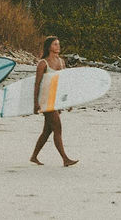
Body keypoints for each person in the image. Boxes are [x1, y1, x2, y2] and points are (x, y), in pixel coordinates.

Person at [30, 36, 79, 167]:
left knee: (47, 131)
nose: (58, 46)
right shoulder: (43, 63)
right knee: (57, 127)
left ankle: (34, 157)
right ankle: (65, 159)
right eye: (55, 44)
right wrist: (36, 103)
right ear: (49, 47)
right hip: (46, 100)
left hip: (56, 100)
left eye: (58, 44)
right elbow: (37, 84)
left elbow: (63, 83)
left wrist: (67, 101)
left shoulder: (62, 62)